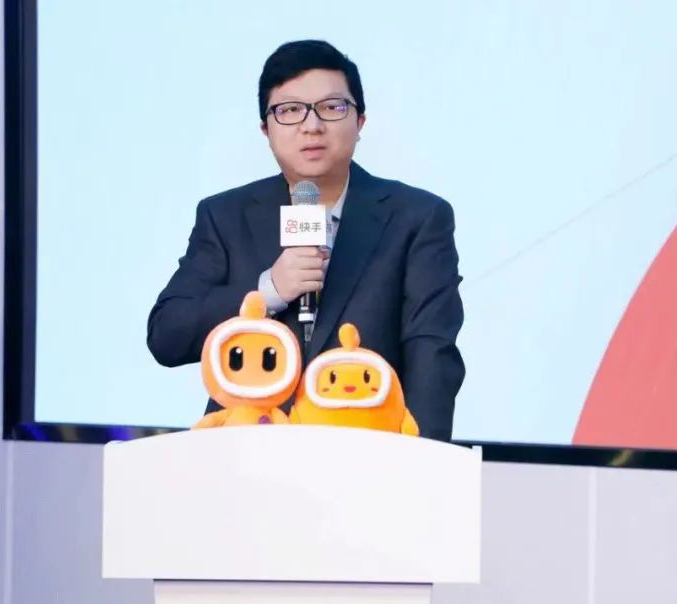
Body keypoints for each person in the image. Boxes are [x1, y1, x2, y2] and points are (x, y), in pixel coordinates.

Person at [147, 39, 465, 441]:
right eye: (290, 110)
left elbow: (431, 353)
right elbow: (167, 336)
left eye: (332, 107)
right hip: (246, 454)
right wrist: (270, 291)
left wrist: (423, 460)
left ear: (360, 121)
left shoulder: (418, 218)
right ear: (266, 130)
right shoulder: (225, 215)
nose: (311, 126)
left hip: (365, 453)